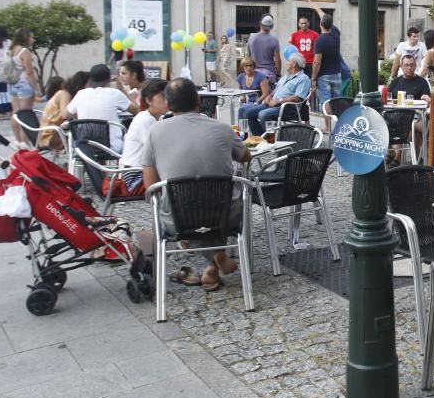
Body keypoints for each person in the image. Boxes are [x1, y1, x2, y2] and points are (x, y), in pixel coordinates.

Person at [142, 78, 251, 291]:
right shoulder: (222, 129)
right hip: (225, 214)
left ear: (169, 104)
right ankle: (215, 261)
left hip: (179, 219)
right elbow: (245, 156)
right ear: (198, 102)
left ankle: (215, 259)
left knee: (184, 207)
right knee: (218, 200)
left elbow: (150, 185)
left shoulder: (156, 132)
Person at [104, 79, 168, 198]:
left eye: (169, 96)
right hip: (133, 176)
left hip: (139, 171)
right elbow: (159, 151)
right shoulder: (146, 120)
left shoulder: (155, 118)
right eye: (162, 97)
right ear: (149, 100)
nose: (167, 101)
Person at [65, 64, 138, 153]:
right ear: (108, 79)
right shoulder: (114, 93)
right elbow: (136, 110)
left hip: (85, 147)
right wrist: (122, 89)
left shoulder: (81, 94)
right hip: (111, 148)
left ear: (91, 79)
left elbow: (66, 114)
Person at [240, 54, 311, 136]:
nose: (286, 63)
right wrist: (269, 96)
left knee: (263, 114)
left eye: (288, 61)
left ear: (294, 64)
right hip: (273, 103)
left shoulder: (303, 78)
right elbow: (276, 90)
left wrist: (278, 101)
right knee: (248, 113)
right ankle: (261, 137)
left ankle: (270, 139)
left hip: (288, 108)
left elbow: (298, 97)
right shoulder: (286, 76)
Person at [38, 71, 89, 151]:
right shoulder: (64, 94)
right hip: (50, 136)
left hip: (48, 133)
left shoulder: (63, 93)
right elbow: (65, 115)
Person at [310, 13, 344, 115]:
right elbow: (326, 19)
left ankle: (328, 127)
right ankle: (339, 125)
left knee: (326, 102)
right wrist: (316, 8)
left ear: (320, 24)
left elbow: (317, 62)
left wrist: (314, 77)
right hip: (337, 73)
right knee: (337, 101)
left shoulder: (319, 40)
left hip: (324, 75)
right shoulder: (336, 34)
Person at [247, 15, 281, 84]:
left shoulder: (251, 39)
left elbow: (249, 58)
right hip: (269, 74)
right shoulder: (274, 40)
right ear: (271, 26)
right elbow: (277, 60)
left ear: (260, 23)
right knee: (268, 94)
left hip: (254, 74)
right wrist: (278, 74)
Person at [289, 16, 319, 82]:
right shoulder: (294, 35)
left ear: (308, 23)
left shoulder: (315, 35)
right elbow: (291, 50)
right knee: (298, 81)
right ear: (299, 24)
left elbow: (318, 49)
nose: (303, 25)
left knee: (310, 82)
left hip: (310, 63)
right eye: (302, 23)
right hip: (299, 63)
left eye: (305, 23)